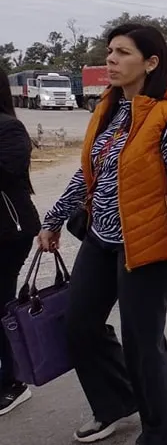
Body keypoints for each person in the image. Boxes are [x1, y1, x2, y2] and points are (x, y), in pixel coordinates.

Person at [37, 23, 167, 445]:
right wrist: (53, 219)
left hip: (147, 243)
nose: (111, 59)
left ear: (150, 62)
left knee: (143, 343)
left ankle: (166, 432)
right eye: (110, 51)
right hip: (100, 238)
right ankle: (115, 403)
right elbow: (90, 174)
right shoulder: (109, 108)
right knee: (79, 326)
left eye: (123, 52)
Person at [0, 73, 41, 416]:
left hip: (8, 231)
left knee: (1, 306)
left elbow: (8, 171)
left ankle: (12, 382)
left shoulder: (10, 129)